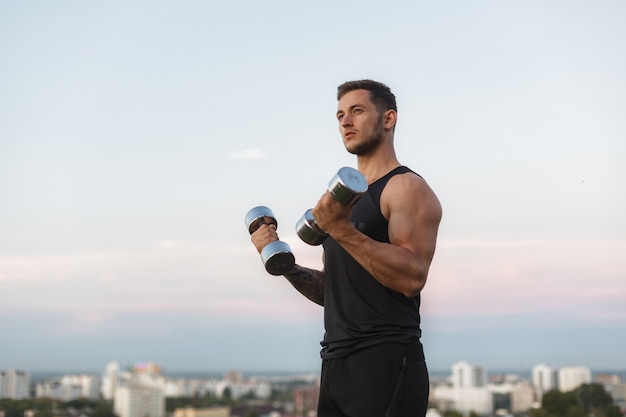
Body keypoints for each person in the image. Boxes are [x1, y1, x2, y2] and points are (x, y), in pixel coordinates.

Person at [250, 80, 442, 417]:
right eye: (340, 115)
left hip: (385, 362)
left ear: (388, 119)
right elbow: (336, 290)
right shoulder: (345, 201)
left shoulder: (406, 188)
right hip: (335, 364)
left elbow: (412, 277)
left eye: (357, 111)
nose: (345, 122)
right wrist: (286, 267)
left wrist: (340, 228)